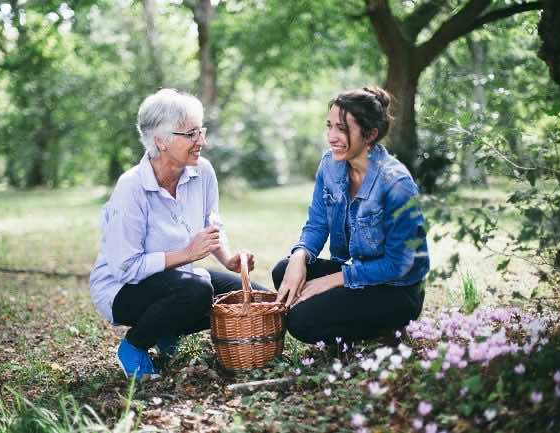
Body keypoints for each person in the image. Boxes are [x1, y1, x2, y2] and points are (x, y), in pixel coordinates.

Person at [90, 89, 266, 380]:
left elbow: (213, 225)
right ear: (161, 140)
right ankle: (134, 346)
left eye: (202, 131)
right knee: (197, 291)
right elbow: (126, 267)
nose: (202, 141)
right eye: (192, 134)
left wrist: (228, 259)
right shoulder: (131, 186)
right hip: (121, 289)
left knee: (253, 297)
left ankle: (165, 327)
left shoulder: (203, 172)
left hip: (177, 280)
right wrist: (187, 254)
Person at [273, 86, 429, 345]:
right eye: (329, 126)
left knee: (300, 321)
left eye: (342, 129)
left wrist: (332, 281)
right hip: (355, 272)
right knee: (284, 271)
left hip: (397, 290)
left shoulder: (396, 183)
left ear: (370, 134)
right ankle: (353, 322)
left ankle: (387, 328)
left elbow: (399, 264)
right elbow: (317, 223)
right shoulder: (330, 164)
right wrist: (299, 255)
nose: (331, 137)